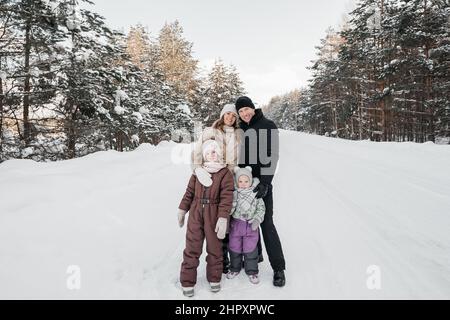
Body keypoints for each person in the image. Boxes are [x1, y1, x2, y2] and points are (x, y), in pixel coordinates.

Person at [235, 96, 286, 287]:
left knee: (266, 224)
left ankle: (278, 268)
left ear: (253, 108)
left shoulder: (267, 125)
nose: (245, 113)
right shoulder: (241, 130)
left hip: (262, 185)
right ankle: (256, 255)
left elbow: (272, 156)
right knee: (247, 220)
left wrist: (265, 182)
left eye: (247, 109)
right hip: (244, 185)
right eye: (241, 111)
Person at [178, 139, 234, 297]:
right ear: (204, 155)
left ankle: (214, 278)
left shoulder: (225, 173)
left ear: (220, 154)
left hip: (214, 214)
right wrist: (182, 209)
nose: (212, 154)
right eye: (209, 152)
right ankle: (187, 281)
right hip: (196, 212)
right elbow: (189, 193)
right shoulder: (197, 173)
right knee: (192, 247)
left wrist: (223, 218)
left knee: (215, 247)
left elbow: (227, 197)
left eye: (215, 151)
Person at [191, 104, 242, 273]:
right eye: (227, 114)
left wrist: (234, 172)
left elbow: (235, 160)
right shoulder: (210, 132)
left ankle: (222, 258)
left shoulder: (237, 135)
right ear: (222, 115)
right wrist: (198, 169)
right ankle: (211, 257)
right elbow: (198, 151)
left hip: (227, 178)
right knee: (211, 218)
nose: (230, 118)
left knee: (225, 217)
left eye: (233, 116)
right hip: (209, 176)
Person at [226, 166, 265, 284]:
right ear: (237, 181)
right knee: (234, 248)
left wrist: (257, 220)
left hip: (250, 225)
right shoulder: (234, 193)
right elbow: (229, 210)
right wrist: (232, 204)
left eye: (246, 181)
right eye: (240, 181)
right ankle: (234, 268)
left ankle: (252, 271)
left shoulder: (255, 194)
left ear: (251, 181)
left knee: (251, 249)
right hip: (236, 225)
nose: (243, 184)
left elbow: (261, 208)